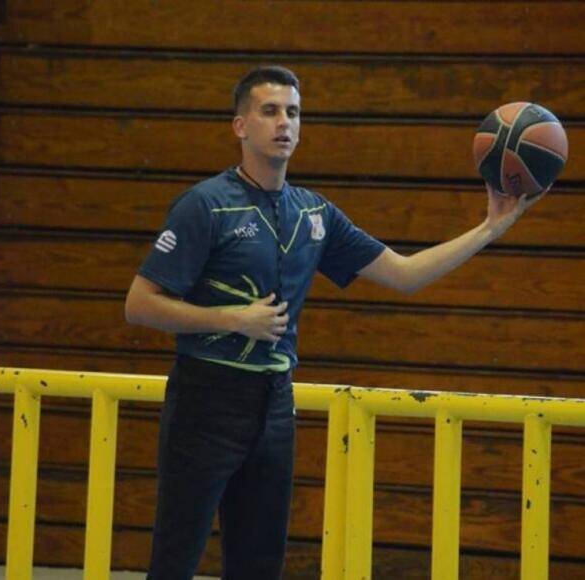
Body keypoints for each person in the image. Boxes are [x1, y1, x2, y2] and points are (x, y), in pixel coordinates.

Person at [125, 65, 542, 580]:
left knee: (259, 567)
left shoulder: (314, 214)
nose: (284, 122)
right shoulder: (205, 206)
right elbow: (139, 304)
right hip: (205, 402)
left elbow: (405, 274)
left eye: (293, 112)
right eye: (270, 111)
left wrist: (491, 228)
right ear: (240, 126)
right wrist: (233, 318)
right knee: (174, 562)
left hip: (274, 408)